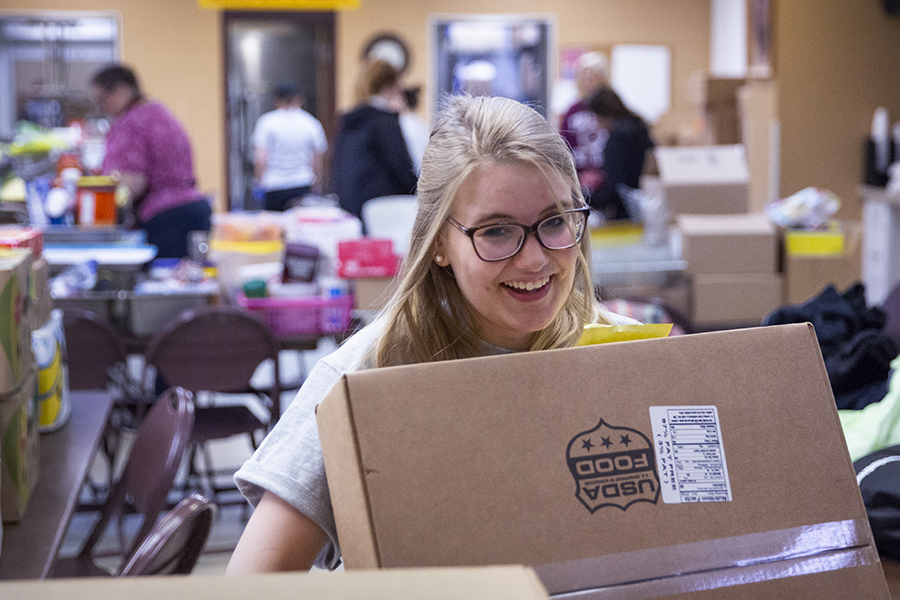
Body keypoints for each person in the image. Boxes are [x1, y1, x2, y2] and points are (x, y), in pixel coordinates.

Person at [226, 94, 633, 575]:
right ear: (440, 241)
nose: (535, 260)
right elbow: (255, 578)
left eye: (555, 221)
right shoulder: (368, 375)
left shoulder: (621, 352)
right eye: (497, 231)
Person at [90, 64, 210, 259]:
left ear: (120, 89)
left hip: (166, 219)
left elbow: (133, 183)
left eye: (102, 99)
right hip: (194, 208)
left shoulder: (131, 122)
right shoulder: (156, 110)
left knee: (165, 283)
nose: (103, 107)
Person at [330, 59, 418, 223]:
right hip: (380, 212)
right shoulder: (384, 121)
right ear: (390, 84)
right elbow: (402, 169)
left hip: (350, 210)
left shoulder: (349, 121)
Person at [252, 84, 328, 212]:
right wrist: (317, 185)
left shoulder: (267, 122)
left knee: (275, 229)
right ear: (300, 99)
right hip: (303, 183)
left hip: (274, 185)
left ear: (276, 100)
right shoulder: (311, 123)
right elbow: (317, 159)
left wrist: (259, 183)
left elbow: (261, 158)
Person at [585, 87, 655, 220]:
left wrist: (585, 198)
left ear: (602, 115)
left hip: (625, 213)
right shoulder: (641, 128)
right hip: (647, 206)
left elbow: (615, 187)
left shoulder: (616, 141)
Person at [559, 52, 611, 209]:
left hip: (607, 179)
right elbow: (563, 145)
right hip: (578, 179)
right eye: (585, 77)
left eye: (593, 77)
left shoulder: (611, 109)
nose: (589, 83)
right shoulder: (572, 110)